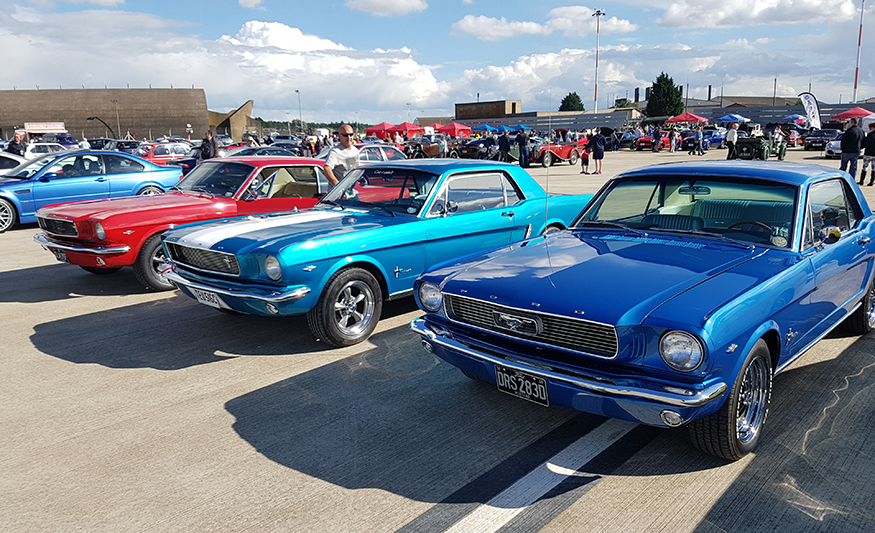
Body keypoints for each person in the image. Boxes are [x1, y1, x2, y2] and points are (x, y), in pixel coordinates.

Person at [840, 118, 865, 183]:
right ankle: (851, 179)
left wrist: (842, 148)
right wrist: (860, 147)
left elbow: (844, 141)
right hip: (856, 151)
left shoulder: (849, 131)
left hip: (847, 151)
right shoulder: (861, 131)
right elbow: (864, 141)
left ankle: (842, 178)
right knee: (853, 167)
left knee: (843, 166)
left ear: (851, 122)